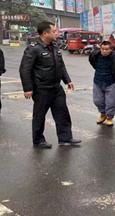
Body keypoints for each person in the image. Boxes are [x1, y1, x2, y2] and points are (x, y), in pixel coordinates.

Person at [19, 21, 81, 149]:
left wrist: (67, 80)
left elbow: (61, 65)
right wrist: (28, 88)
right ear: (45, 33)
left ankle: (65, 138)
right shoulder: (34, 49)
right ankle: (38, 140)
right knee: (39, 116)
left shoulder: (55, 46)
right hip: (41, 88)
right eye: (54, 31)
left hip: (56, 87)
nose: (56, 33)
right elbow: (25, 69)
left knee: (62, 113)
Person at [89, 41, 115, 126]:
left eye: (107, 49)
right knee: (97, 100)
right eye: (102, 49)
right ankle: (103, 114)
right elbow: (92, 62)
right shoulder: (95, 55)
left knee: (110, 102)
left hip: (111, 82)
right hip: (98, 80)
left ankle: (109, 117)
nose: (104, 51)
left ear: (111, 49)